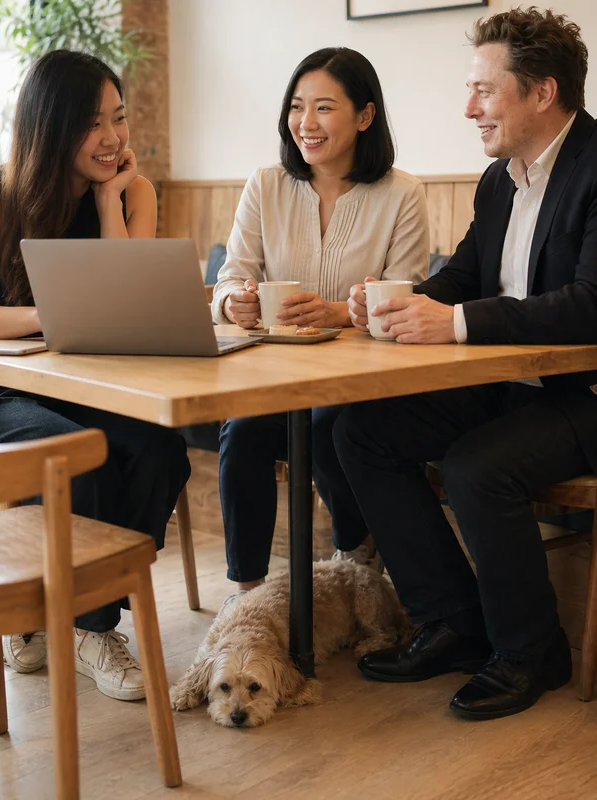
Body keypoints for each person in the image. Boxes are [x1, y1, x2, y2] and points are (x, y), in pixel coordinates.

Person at [331, 6, 597, 721]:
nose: (468, 107)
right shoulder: (499, 180)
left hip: (585, 394)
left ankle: (532, 650)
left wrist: (451, 322)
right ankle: (453, 619)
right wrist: (396, 303)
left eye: (484, 88)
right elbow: (466, 277)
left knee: (480, 468)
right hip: (512, 385)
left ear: (542, 92)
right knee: (363, 430)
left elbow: (588, 305)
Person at [0, 50, 190, 700]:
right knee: (79, 459)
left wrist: (110, 201)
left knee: (161, 449)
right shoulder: (1, 196)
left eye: (119, 118)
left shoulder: (133, 192)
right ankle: (70, 620)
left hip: (89, 381)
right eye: (92, 123)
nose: (112, 139)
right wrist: (47, 316)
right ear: (51, 128)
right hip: (7, 385)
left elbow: (123, 301)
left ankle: (84, 620)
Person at [211, 47, 429, 591]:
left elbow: (411, 299)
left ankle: (355, 557)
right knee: (241, 432)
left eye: (324, 108)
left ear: (364, 116)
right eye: (296, 106)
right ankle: (247, 592)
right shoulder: (265, 185)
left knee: (332, 424)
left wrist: (338, 313)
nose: (305, 123)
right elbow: (231, 276)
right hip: (276, 379)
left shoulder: (402, 194)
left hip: (362, 385)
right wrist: (234, 300)